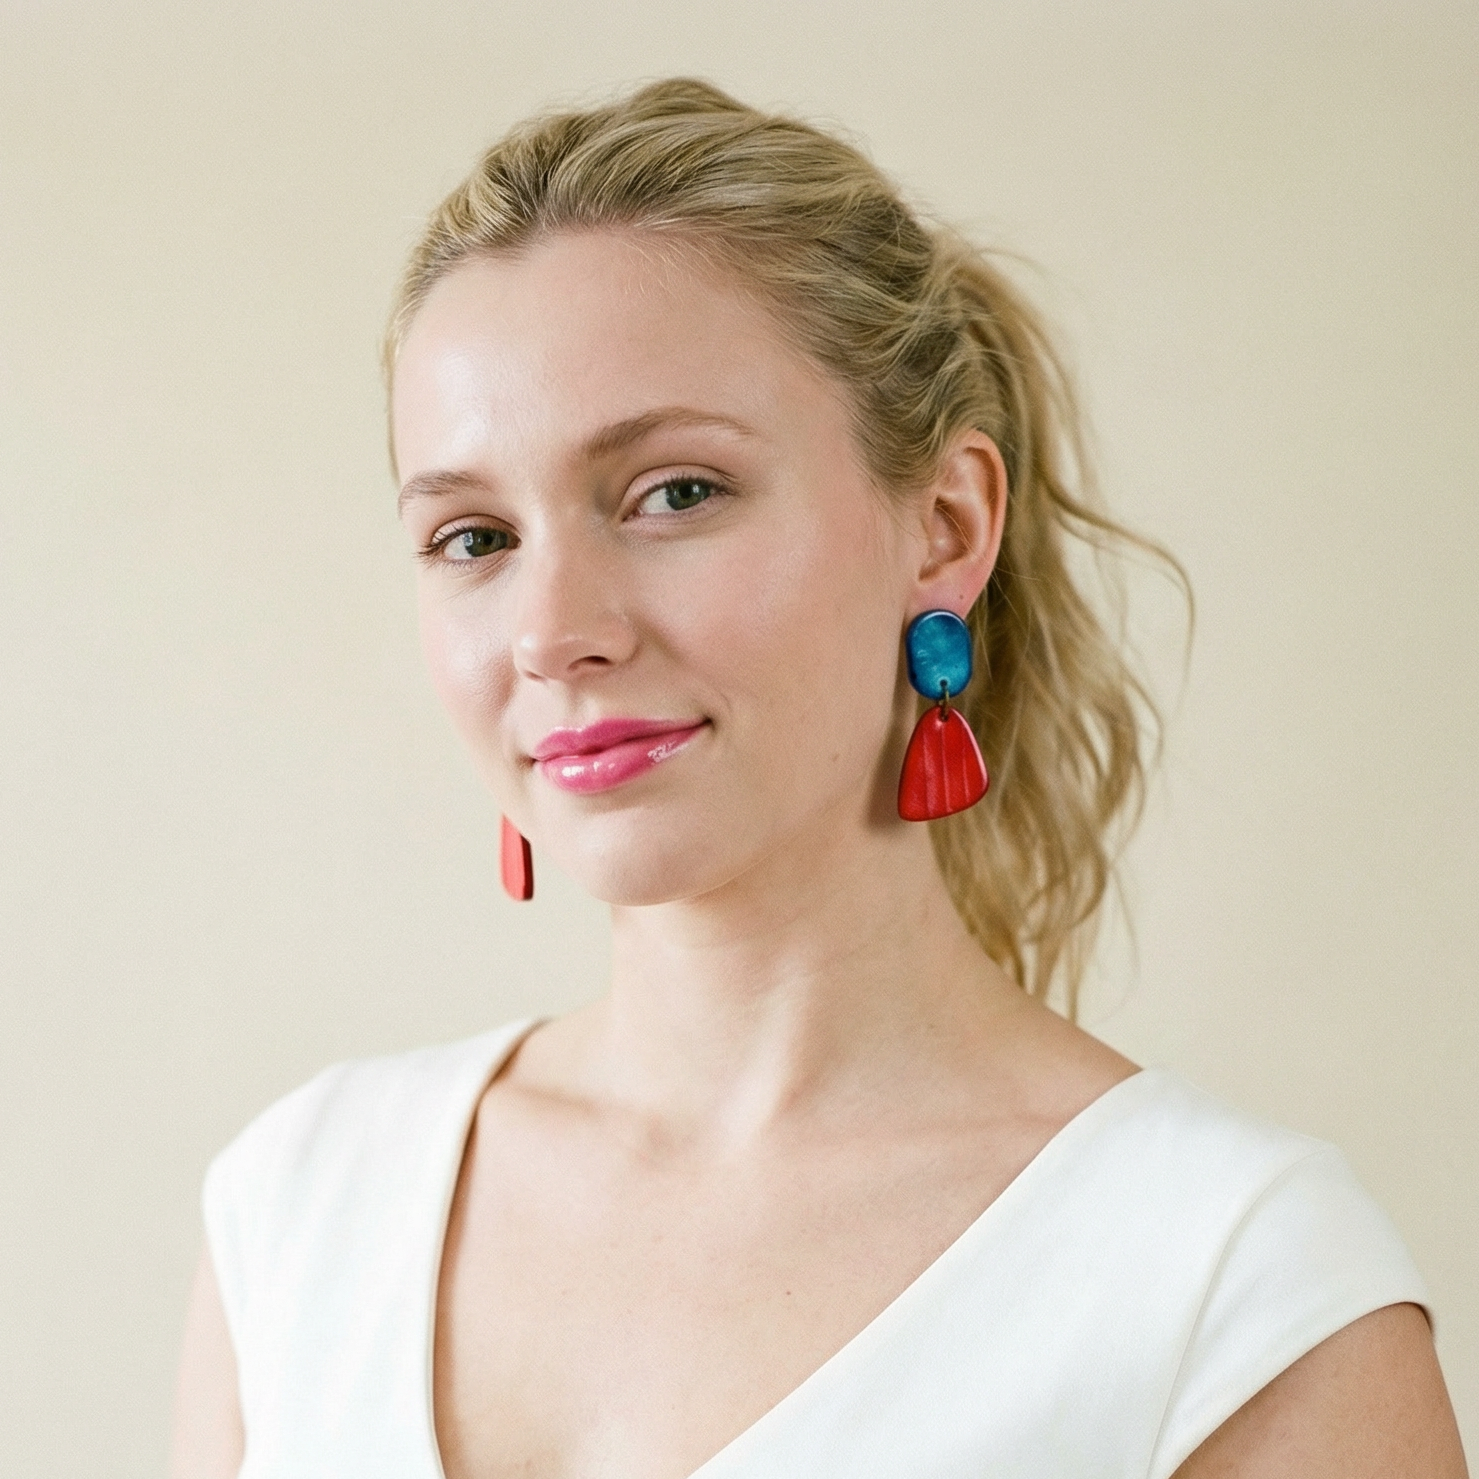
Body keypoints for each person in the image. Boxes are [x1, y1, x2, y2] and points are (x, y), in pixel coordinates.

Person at [169, 79, 1467, 1478]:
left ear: (944, 525)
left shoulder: (1234, 1283)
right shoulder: (300, 1205)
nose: (553, 630)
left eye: (674, 492)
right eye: (473, 536)